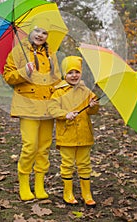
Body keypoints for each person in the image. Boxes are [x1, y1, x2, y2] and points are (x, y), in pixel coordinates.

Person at [3, 17, 61, 201]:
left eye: (44, 32)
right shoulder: (18, 52)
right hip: (27, 106)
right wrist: (23, 72)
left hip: (47, 108)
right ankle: (24, 182)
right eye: (37, 31)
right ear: (30, 32)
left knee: (44, 148)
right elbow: (8, 77)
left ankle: (39, 183)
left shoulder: (51, 54)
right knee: (30, 147)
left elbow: (57, 79)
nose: (40, 35)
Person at [48, 56, 99, 207]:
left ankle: (86, 193)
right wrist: (65, 114)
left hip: (84, 134)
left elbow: (93, 111)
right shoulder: (58, 92)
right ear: (65, 74)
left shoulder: (86, 91)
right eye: (70, 72)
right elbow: (52, 109)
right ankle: (67, 192)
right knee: (67, 164)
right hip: (66, 135)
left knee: (84, 163)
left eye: (77, 72)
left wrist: (92, 105)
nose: (74, 75)